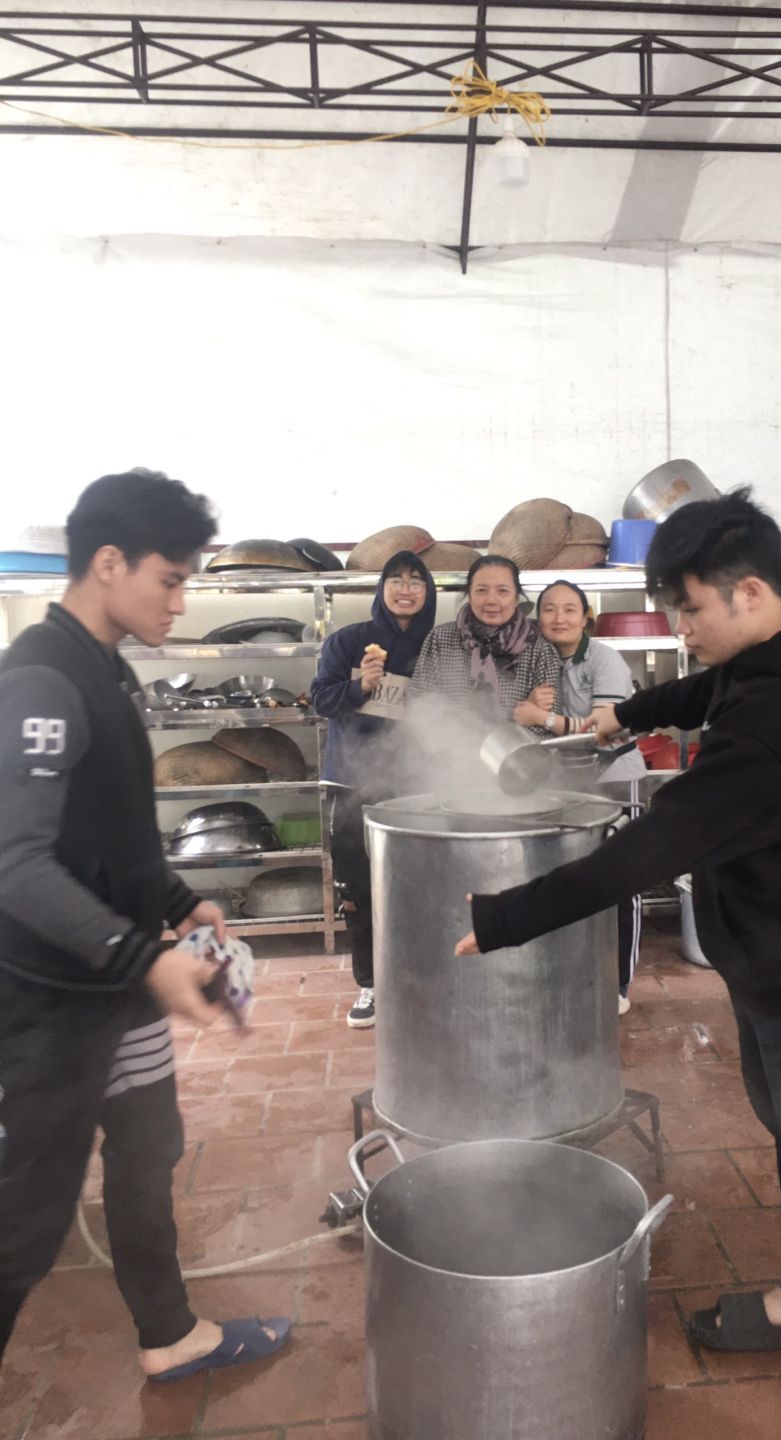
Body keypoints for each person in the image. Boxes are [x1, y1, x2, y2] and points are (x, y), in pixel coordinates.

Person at [457, 490, 781, 1440]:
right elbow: (702, 692)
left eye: (690, 609)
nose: (681, 628)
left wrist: (507, 917)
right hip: (780, 944)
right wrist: (624, 714)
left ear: (749, 593)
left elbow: (646, 851)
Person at [0, 470, 289, 1380]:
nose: (180, 600)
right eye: (169, 579)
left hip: (114, 986)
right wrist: (141, 957)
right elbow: (16, 863)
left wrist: (173, 902)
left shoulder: (109, 665)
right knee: (26, 1223)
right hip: (49, 1004)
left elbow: (108, 825)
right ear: (108, 563)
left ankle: (169, 1334)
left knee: (148, 1147)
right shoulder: (41, 680)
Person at [310, 550, 436, 1028]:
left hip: (419, 784)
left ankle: (422, 976)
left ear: (429, 592)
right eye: (396, 580)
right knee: (358, 887)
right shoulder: (348, 641)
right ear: (381, 589)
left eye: (416, 581)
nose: (406, 589)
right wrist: (360, 686)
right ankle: (371, 983)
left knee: (422, 886)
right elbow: (321, 700)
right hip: (354, 782)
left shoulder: (439, 645)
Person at [512, 579, 647, 1015]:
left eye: (570, 609)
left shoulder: (605, 660)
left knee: (620, 878)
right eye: (549, 609)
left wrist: (542, 717)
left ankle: (618, 983)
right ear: (538, 619)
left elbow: (604, 730)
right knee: (567, 877)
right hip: (565, 781)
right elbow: (519, 718)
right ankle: (570, 970)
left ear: (586, 617)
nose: (559, 618)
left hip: (613, 777)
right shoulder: (537, 660)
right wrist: (531, 711)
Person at [410, 554, 561, 730]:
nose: (491, 600)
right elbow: (418, 704)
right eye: (481, 590)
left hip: (520, 748)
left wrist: (510, 734)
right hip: (447, 745)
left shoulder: (539, 649)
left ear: (516, 598)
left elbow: (547, 727)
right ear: (469, 595)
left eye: (502, 591)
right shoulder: (440, 638)